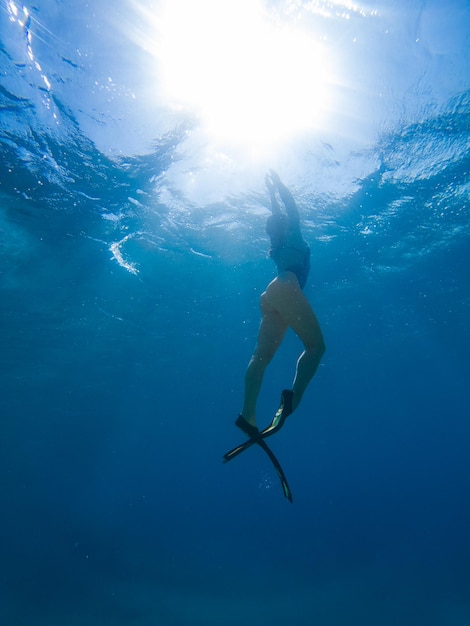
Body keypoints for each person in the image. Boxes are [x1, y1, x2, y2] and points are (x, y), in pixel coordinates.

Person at [235, 170, 325, 440]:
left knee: (260, 358)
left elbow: (278, 215)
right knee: (316, 347)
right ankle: (292, 401)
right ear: (285, 225)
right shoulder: (293, 235)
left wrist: (272, 193)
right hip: (286, 287)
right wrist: (280, 187)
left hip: (272, 292)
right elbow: (292, 209)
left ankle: (247, 415)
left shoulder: (277, 243)